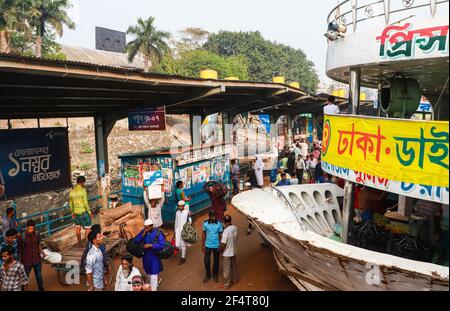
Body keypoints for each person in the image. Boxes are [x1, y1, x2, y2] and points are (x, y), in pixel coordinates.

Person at [134, 219, 166, 291]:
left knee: (154, 277)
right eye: (145, 227)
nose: (146, 229)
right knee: (148, 275)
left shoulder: (158, 233)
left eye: (148, 227)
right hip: (145, 258)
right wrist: (142, 234)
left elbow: (162, 245)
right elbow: (136, 241)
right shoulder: (144, 231)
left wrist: (151, 245)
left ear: (152, 226)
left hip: (154, 257)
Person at [20, 220, 44, 291]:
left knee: (39, 276)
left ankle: (41, 289)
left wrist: (41, 251)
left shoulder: (37, 233)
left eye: (32, 229)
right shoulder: (22, 236)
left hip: (37, 259)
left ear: (34, 227)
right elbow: (20, 249)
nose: (31, 230)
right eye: (29, 229)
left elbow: (38, 243)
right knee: (25, 277)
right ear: (26, 227)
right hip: (27, 261)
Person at [69, 176, 93, 245]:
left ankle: (79, 243)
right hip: (83, 211)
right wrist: (89, 212)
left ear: (77, 182)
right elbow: (85, 203)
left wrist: (72, 212)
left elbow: (71, 204)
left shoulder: (71, 191)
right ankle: (86, 243)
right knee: (88, 228)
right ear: (83, 182)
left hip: (75, 213)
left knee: (77, 227)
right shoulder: (83, 190)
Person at [202, 210, 223, 283]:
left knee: (216, 261)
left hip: (216, 245)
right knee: (206, 260)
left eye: (214, 216)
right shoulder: (205, 223)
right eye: (212, 216)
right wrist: (203, 245)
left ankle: (215, 275)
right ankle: (208, 275)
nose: (213, 218)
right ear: (210, 216)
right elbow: (204, 234)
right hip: (208, 245)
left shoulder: (219, 223)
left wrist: (220, 244)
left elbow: (220, 234)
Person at [220, 215, 238, 289]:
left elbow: (223, 244)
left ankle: (227, 284)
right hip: (233, 251)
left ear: (224, 222)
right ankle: (235, 280)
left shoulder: (226, 231)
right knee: (234, 267)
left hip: (226, 253)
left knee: (226, 270)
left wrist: (221, 252)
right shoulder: (235, 228)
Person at [174, 200, 191, 265]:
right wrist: (175, 230)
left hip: (184, 231)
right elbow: (176, 221)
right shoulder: (177, 212)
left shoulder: (186, 212)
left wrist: (189, 216)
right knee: (177, 245)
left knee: (183, 244)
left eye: (181, 206)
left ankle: (183, 258)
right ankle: (182, 253)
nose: (180, 207)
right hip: (178, 230)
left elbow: (189, 222)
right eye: (179, 206)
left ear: (183, 206)